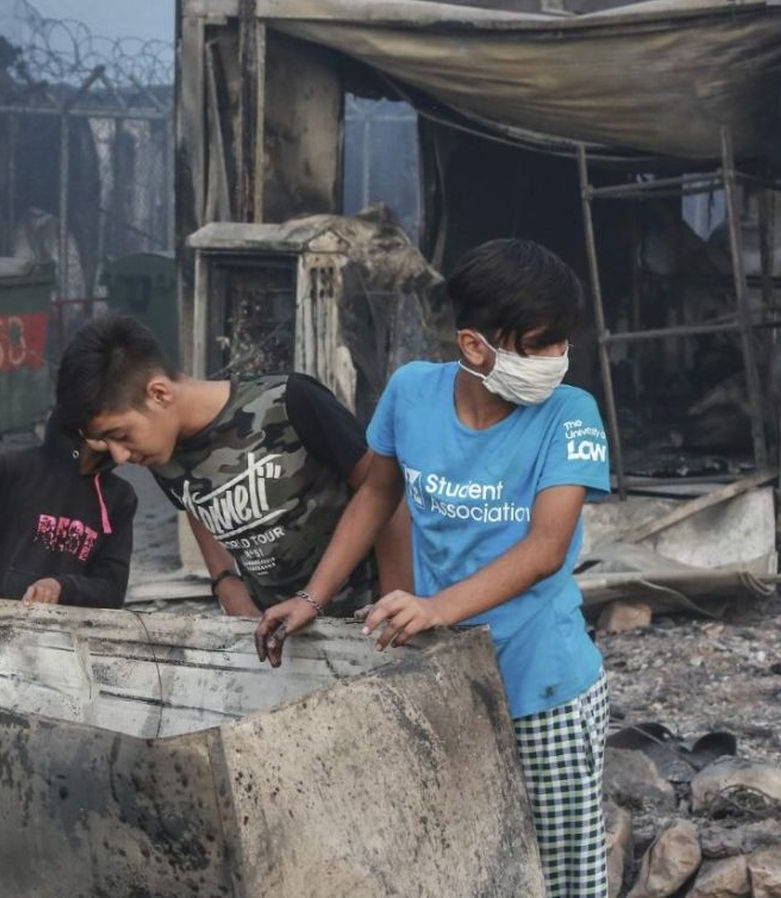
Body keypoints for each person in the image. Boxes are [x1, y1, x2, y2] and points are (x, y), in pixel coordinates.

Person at [256, 238, 612, 898]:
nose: (557, 360)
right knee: (460, 862)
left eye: (563, 343)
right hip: (445, 679)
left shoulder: (572, 415)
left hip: (544, 688)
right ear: (476, 347)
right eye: (540, 344)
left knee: (564, 880)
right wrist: (313, 595)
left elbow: (544, 551)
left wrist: (433, 608)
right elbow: (377, 492)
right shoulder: (412, 392)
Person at [55, 316, 412, 619]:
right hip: (281, 633)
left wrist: (392, 609)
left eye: (120, 435)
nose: (119, 456)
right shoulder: (162, 458)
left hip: (363, 618)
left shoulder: (289, 402)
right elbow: (197, 504)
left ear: (159, 393)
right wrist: (226, 583)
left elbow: (385, 496)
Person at [0, 412, 135, 608]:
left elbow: (112, 591)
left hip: (69, 635)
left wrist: (62, 587)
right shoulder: (14, 468)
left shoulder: (119, 497)